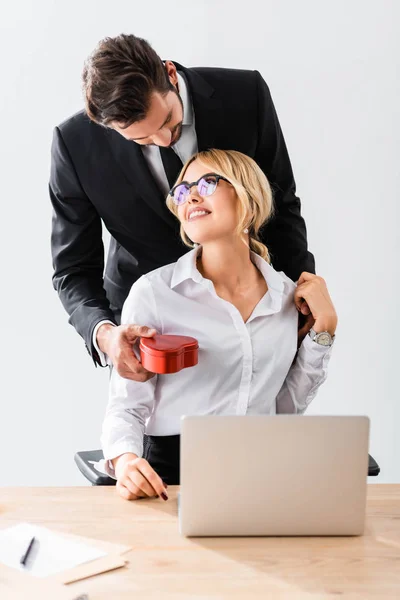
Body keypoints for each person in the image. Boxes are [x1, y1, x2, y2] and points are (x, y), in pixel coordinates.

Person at [50, 33, 316, 381]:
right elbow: (72, 269)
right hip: (153, 333)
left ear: (170, 74)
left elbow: (281, 203)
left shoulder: (245, 95)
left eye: (168, 122)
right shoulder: (75, 146)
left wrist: (303, 288)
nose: (163, 140)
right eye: (141, 140)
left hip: (253, 310)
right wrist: (105, 334)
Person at [101, 149, 337, 501]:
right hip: (172, 474)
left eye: (207, 182)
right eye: (182, 191)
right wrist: (125, 461)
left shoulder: (288, 297)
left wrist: (325, 331)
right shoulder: (154, 293)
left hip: (262, 468)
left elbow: (285, 408)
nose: (191, 195)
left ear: (248, 195)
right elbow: (127, 405)